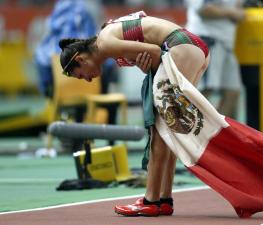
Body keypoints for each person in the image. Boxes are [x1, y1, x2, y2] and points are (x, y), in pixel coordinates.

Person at [59, 11, 210, 217]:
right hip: (191, 47)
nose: (87, 80)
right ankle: (164, 199)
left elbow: (156, 53)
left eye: (81, 75)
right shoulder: (106, 37)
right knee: (169, 130)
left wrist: (148, 68)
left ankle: (151, 200)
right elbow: (151, 51)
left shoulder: (105, 44)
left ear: (80, 59)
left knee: (160, 129)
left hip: (181, 47)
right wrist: (145, 67)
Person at [185, 0, 245, 119]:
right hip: (207, 39)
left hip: (226, 42)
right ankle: (187, 134)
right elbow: (202, 9)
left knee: (232, 92)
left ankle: (217, 135)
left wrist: (237, 11)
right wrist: (231, 13)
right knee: (204, 91)